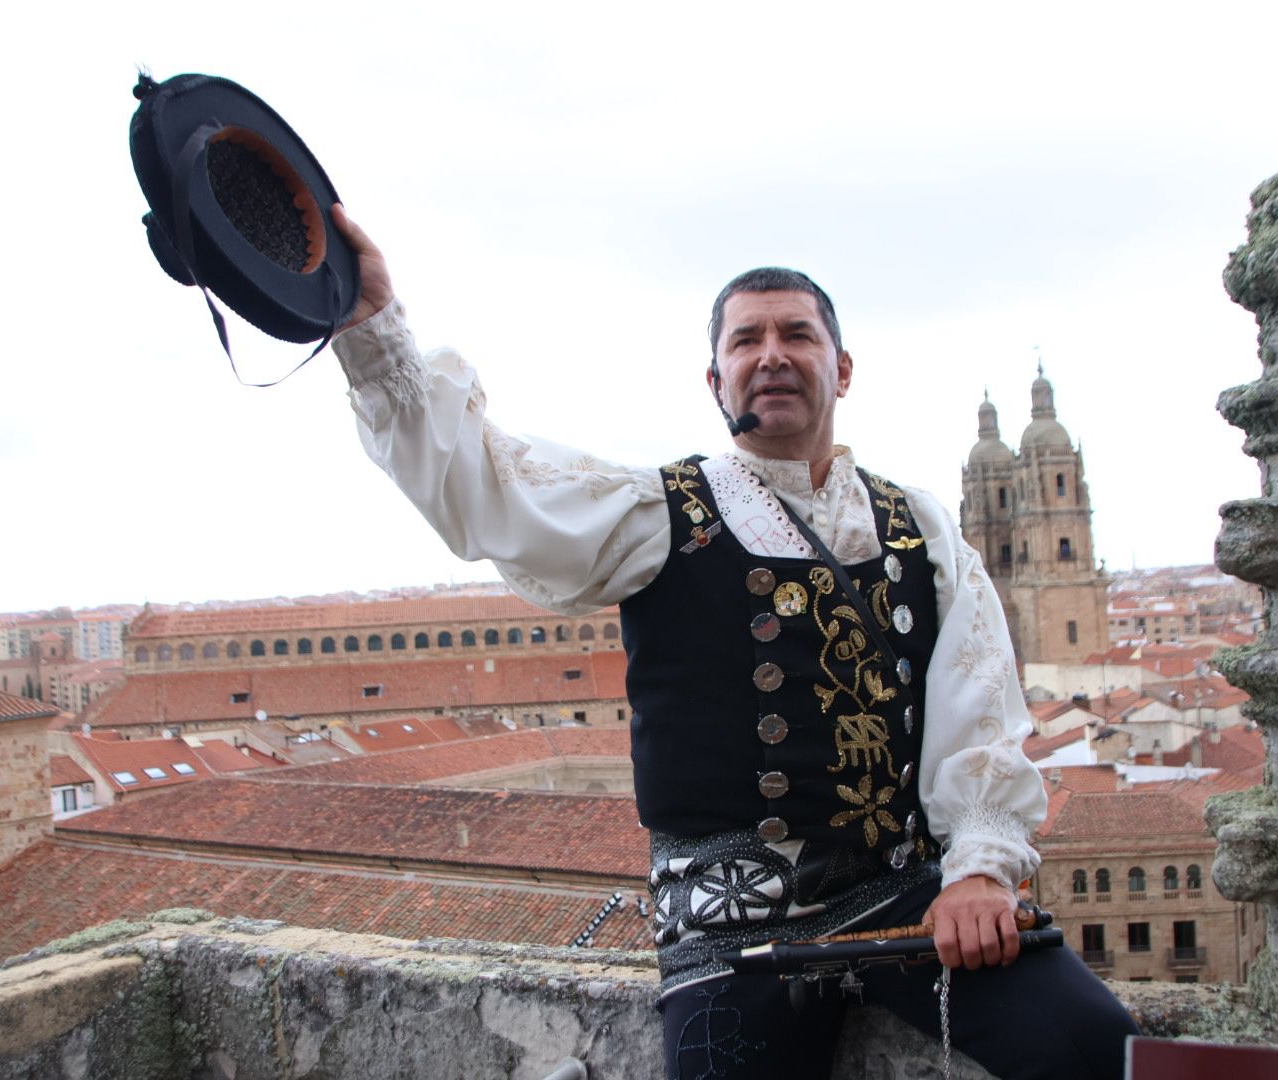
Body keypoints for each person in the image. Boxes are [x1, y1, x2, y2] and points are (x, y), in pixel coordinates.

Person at [326, 206, 1139, 1078]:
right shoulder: (657, 513)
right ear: (716, 379)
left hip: (904, 900)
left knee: (1098, 1048)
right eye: (746, 340)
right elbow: (487, 488)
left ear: (843, 366)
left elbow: (978, 712)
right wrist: (374, 329)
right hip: (729, 927)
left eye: (798, 334)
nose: (772, 354)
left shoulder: (921, 528)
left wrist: (979, 870)